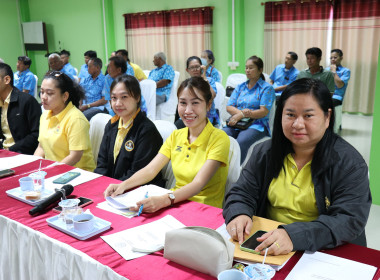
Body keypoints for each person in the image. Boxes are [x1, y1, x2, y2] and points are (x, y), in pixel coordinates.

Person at [223, 78, 371, 256]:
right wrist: (239, 213)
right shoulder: (265, 152)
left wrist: (294, 236)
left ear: (327, 117)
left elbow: (348, 219)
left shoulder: (348, 162)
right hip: (270, 244)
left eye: (308, 115)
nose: (298, 124)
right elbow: (242, 192)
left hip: (322, 249)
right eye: (290, 115)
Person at [104, 76, 230, 212]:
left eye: (195, 103)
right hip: (176, 203)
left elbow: (198, 184)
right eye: (182, 103)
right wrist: (124, 185)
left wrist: (164, 199)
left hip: (204, 210)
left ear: (208, 105)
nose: (187, 110)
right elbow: (151, 169)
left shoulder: (219, 138)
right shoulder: (176, 135)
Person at [95, 74, 164, 184]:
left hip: (138, 190)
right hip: (113, 188)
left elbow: (137, 173)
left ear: (137, 97)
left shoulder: (147, 131)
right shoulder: (112, 124)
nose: (118, 103)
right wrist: (100, 184)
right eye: (114, 98)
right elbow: (102, 163)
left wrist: (115, 187)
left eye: (124, 97)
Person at [34, 71, 95, 171]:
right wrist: (34, 167)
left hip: (77, 174)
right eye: (42, 92)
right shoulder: (45, 115)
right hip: (54, 170)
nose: (43, 97)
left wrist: (51, 171)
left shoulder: (76, 119)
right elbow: (41, 147)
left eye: (49, 93)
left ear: (65, 96)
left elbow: (75, 156)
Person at [223, 56, 275, 164]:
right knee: (221, 136)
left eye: (251, 68)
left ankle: (236, 172)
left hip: (258, 124)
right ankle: (221, 168)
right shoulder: (240, 87)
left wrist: (242, 115)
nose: (247, 70)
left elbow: (263, 111)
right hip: (238, 122)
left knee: (241, 141)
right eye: (246, 68)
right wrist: (241, 114)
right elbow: (229, 106)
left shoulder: (266, 88)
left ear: (260, 70)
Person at [0, 63, 41, 154]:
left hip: (22, 154)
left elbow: (37, 135)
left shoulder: (27, 101)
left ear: (6, 80)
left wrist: (10, 150)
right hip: (3, 152)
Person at [175, 56, 218, 128]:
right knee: (176, 128)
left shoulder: (209, 80)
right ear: (187, 70)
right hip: (188, 115)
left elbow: (212, 96)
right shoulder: (187, 83)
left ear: (202, 67)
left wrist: (204, 77)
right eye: (191, 68)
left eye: (197, 67)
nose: (195, 70)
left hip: (206, 116)